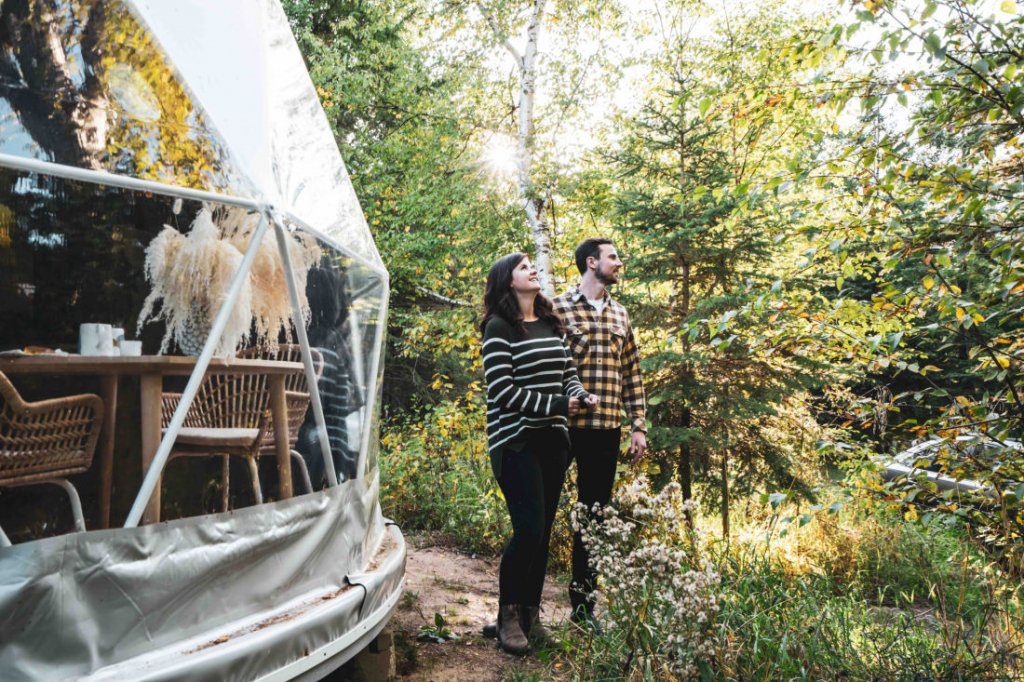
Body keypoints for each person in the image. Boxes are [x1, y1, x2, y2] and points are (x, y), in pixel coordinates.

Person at [480, 252, 598, 655]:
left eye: (532, 264)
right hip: (514, 440)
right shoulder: (499, 328)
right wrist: (557, 406)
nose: (532, 269)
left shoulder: (550, 324)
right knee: (528, 528)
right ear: (508, 281)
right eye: (523, 266)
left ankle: (531, 615)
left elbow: (567, 376)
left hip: (552, 440)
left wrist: (581, 395)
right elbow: (502, 391)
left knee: (543, 532)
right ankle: (507, 616)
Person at [553, 237, 646, 630]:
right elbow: (543, 364)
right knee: (538, 516)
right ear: (591, 263)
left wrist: (638, 425)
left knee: (593, 521)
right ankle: (521, 610)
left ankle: (582, 610)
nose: (618, 263)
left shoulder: (621, 315)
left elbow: (633, 373)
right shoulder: (556, 308)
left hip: (606, 431)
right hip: (559, 429)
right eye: (613, 257)